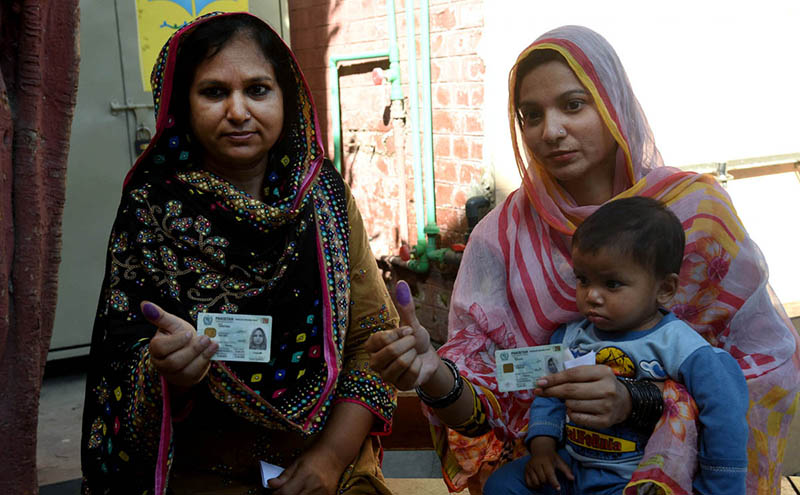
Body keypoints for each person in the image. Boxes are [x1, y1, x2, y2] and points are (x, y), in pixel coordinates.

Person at [367, 25, 800, 494]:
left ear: (613, 104)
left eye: (574, 105)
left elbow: (760, 371)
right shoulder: (501, 238)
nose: (550, 131)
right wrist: (432, 375)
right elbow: (488, 419)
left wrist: (638, 400)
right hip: (554, 472)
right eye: (531, 115)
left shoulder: (695, 216)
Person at [81, 12, 399, 495]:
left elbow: (372, 341)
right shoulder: (151, 207)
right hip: (199, 468)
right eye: (213, 92)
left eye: (257, 89)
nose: (238, 111)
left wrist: (330, 459)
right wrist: (166, 369)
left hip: (326, 457)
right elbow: (121, 362)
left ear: (285, 97)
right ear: (181, 105)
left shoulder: (324, 197)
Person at [483, 197, 749, 494]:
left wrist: (720, 487)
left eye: (612, 284)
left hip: (637, 479)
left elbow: (725, 419)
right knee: (503, 485)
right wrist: (543, 449)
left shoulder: (684, 349)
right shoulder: (570, 337)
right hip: (572, 466)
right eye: (583, 280)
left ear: (664, 289)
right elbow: (549, 395)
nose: (592, 295)